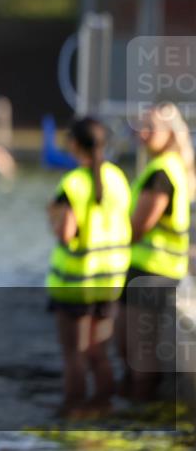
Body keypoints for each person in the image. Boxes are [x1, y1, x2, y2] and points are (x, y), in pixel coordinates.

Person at [45, 117, 132, 418]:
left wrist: (52, 215)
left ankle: (73, 415)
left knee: (75, 356)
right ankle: (104, 410)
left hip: (75, 284)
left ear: (74, 144)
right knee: (99, 354)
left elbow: (65, 232)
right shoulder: (118, 177)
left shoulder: (73, 183)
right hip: (109, 283)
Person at [117, 103, 194, 401]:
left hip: (152, 272)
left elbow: (138, 226)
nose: (142, 134)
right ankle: (136, 406)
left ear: (170, 133)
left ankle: (142, 412)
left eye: (150, 128)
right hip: (150, 269)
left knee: (140, 352)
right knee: (131, 347)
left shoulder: (162, 172)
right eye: (140, 127)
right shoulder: (167, 166)